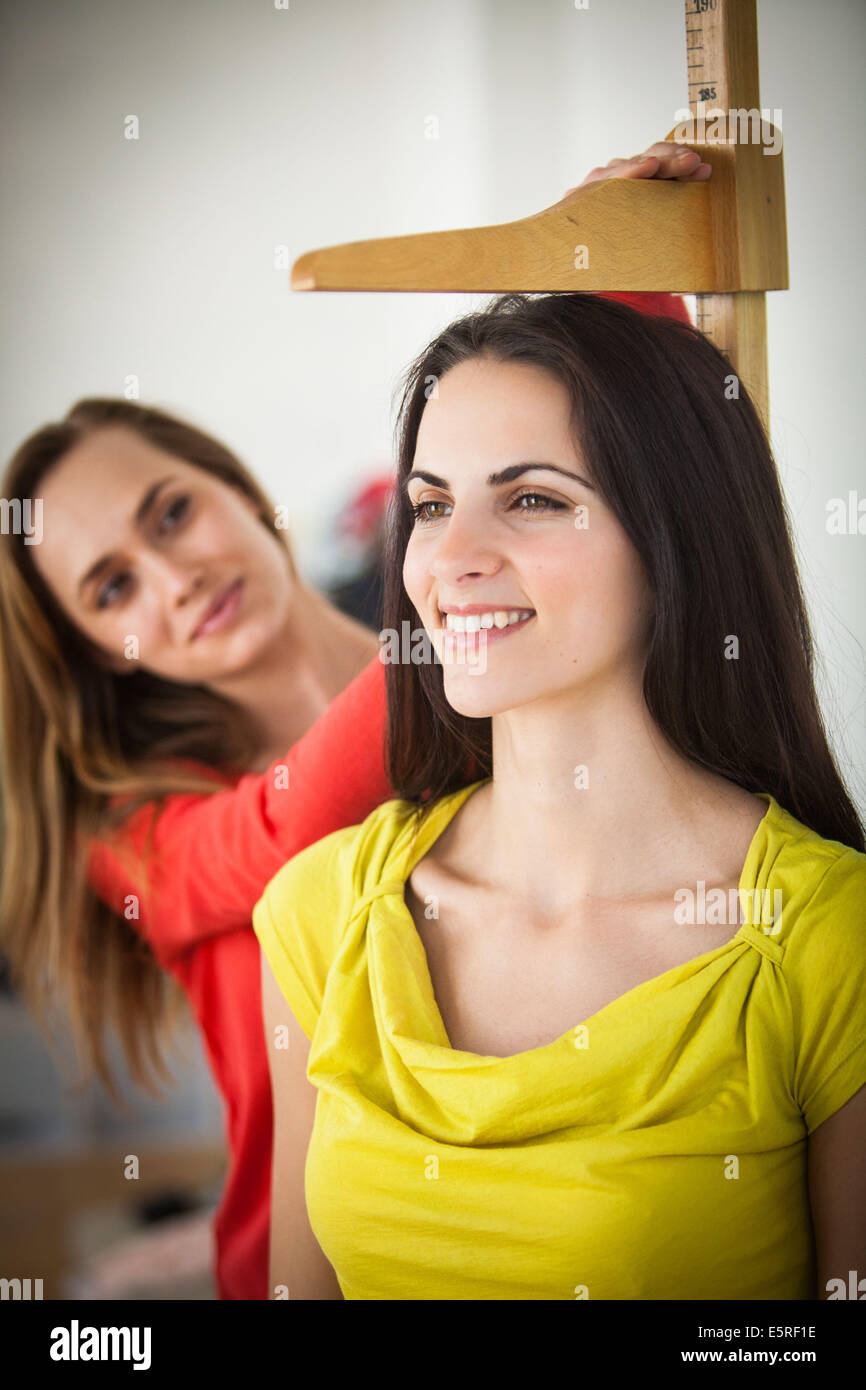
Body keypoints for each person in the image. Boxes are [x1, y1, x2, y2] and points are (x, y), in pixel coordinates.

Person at [0, 146, 711, 1300]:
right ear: (91, 652)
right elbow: (298, 826)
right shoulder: (139, 833)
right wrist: (613, 302)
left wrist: (626, 289)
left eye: (172, 512)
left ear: (234, 485)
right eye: (111, 588)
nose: (171, 577)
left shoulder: (488, 677)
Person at [255, 288, 866, 1300]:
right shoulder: (320, 913)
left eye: (531, 498)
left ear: (675, 536)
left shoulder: (825, 940)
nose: (449, 559)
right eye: (431, 505)